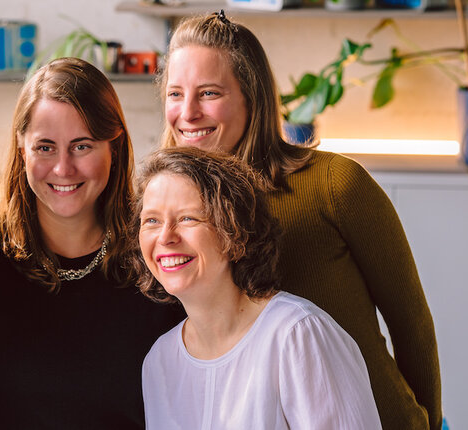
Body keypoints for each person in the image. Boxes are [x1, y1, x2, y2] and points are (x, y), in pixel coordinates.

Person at [158, 11, 441, 430]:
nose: (188, 112)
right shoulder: (163, 215)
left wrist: (426, 423)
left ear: (252, 98)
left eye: (209, 93)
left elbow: (411, 323)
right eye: (175, 94)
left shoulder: (335, 185)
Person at [0, 57, 184, 429]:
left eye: (82, 146)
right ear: (22, 149)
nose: (63, 168)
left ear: (114, 146)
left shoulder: (157, 260)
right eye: (45, 147)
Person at [130, 146, 381, 429]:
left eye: (188, 218)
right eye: (151, 221)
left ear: (235, 231)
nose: (165, 237)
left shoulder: (298, 335)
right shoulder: (160, 361)